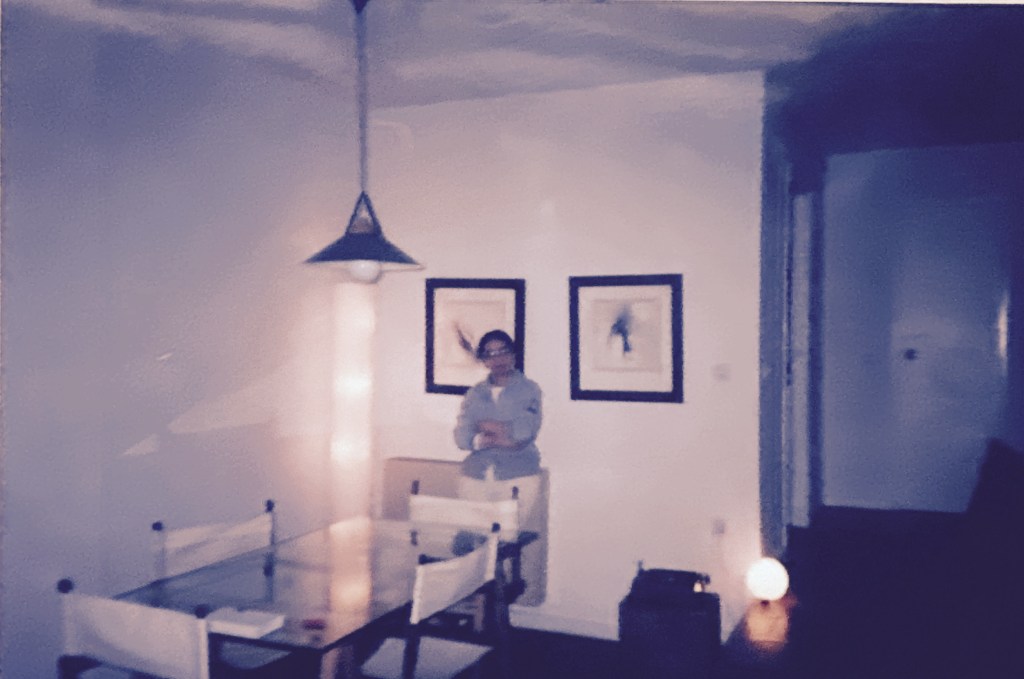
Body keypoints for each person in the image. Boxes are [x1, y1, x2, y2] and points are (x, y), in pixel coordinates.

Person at [453, 329, 542, 482]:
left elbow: (524, 432)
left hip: (520, 474)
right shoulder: (474, 394)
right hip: (476, 474)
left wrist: (484, 426)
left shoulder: (529, 390)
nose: (498, 358)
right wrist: (506, 437)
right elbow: (461, 437)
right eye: (491, 354)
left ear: (513, 355)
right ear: (484, 360)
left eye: (503, 351)